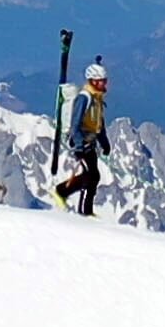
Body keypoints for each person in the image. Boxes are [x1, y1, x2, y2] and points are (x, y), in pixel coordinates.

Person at [62, 58, 112, 217]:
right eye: (102, 81)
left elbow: (98, 123)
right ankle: (84, 212)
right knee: (91, 176)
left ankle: (80, 205)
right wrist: (78, 145)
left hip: (89, 142)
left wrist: (104, 143)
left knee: (93, 175)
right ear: (94, 81)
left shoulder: (96, 99)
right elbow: (75, 124)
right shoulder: (85, 98)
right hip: (82, 143)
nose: (105, 84)